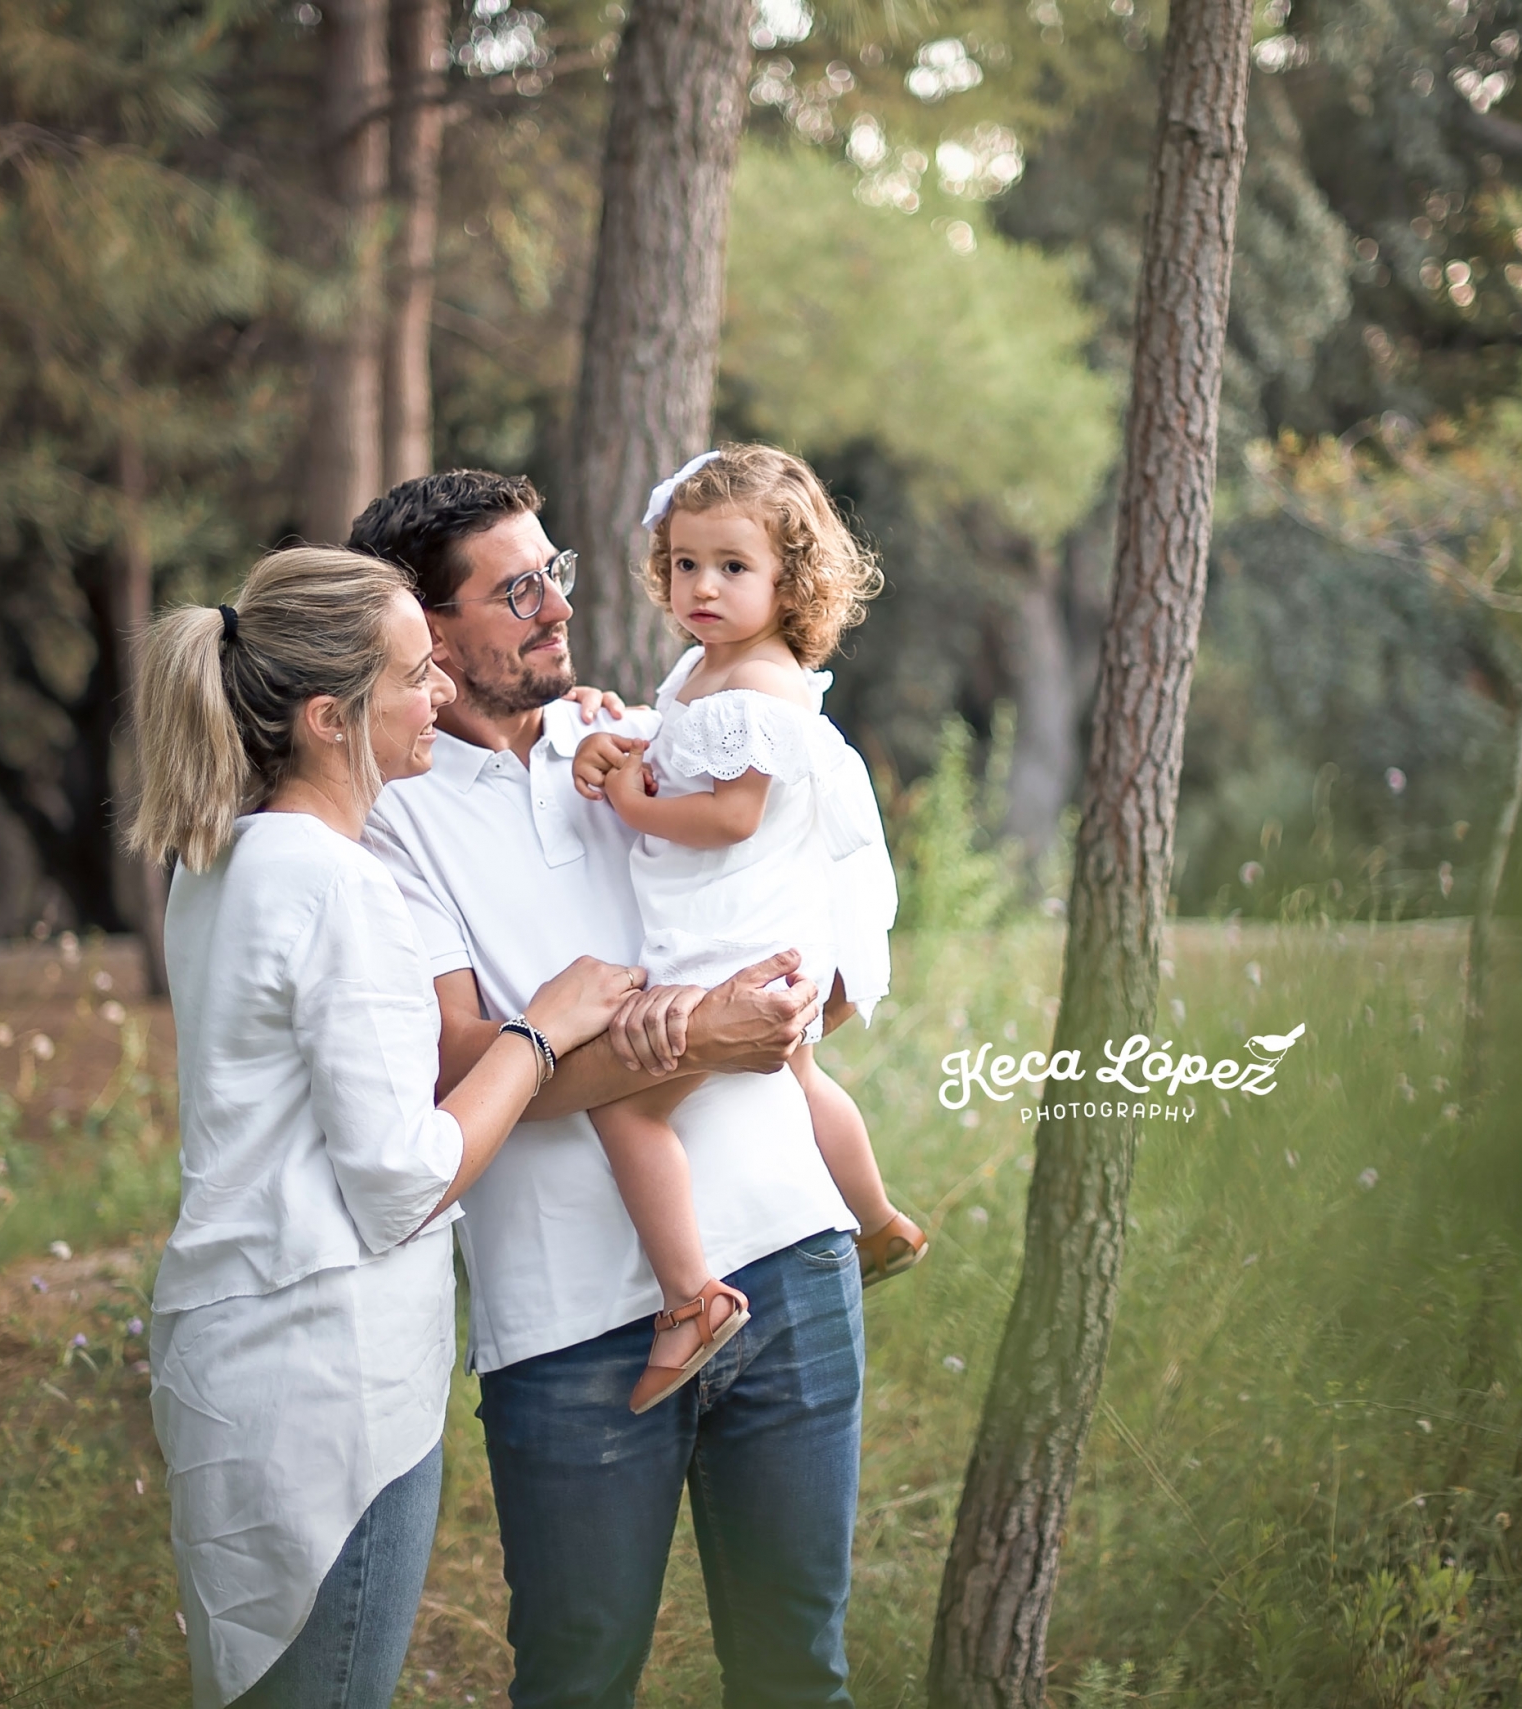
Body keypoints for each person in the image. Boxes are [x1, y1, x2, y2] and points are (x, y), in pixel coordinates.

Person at [351, 471, 868, 1708]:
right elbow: (467, 1071)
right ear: (425, 628)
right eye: (514, 588)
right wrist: (701, 1032)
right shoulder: (389, 821)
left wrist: (800, 996)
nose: (553, 607)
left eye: (555, 572)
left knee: (801, 1672)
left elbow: (822, 919)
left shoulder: (631, 736)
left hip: (791, 1260)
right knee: (578, 1684)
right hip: (573, 1328)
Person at [128, 545, 635, 1709]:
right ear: (325, 717)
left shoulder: (223, 861)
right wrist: (541, 1030)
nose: (442, 694)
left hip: (247, 1348)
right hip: (324, 1376)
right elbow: (403, 1182)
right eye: (415, 676)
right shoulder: (334, 884)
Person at [568, 445, 926, 1414]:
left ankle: (690, 1299)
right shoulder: (702, 666)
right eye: (685, 563)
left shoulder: (761, 681)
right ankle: (879, 1218)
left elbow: (728, 812)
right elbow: (676, 745)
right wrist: (623, 741)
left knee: (625, 1103)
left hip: (729, 936)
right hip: (722, 916)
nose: (703, 586)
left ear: (789, 577)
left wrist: (632, 806)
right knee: (802, 1073)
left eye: (732, 566)